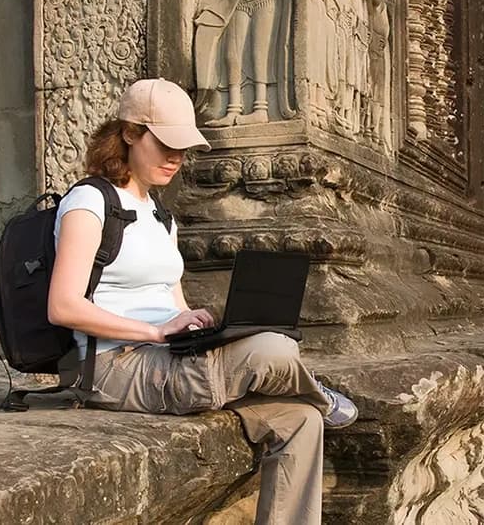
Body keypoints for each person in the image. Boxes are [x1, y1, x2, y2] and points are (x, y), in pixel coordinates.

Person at [47, 77, 357, 525]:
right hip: (116, 367)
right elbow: (63, 306)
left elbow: (173, 303)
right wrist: (154, 331)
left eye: (183, 148)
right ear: (130, 133)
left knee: (299, 421)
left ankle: (310, 404)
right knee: (274, 349)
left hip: (168, 359)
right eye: (166, 144)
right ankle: (321, 395)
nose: (177, 158)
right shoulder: (89, 201)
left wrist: (193, 324)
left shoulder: (160, 217)